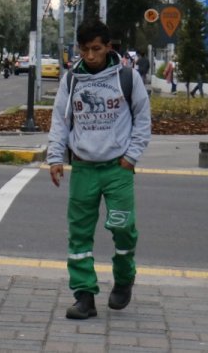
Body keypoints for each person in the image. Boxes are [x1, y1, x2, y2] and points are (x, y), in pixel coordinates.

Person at [46, 18, 151, 320]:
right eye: (84, 50)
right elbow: (60, 121)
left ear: (107, 47)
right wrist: (55, 158)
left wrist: (130, 157)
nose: (90, 55)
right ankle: (84, 295)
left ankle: (124, 278)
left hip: (117, 169)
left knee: (123, 228)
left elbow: (143, 120)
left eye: (96, 49)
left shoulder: (127, 77)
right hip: (83, 168)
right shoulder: (72, 80)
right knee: (79, 234)